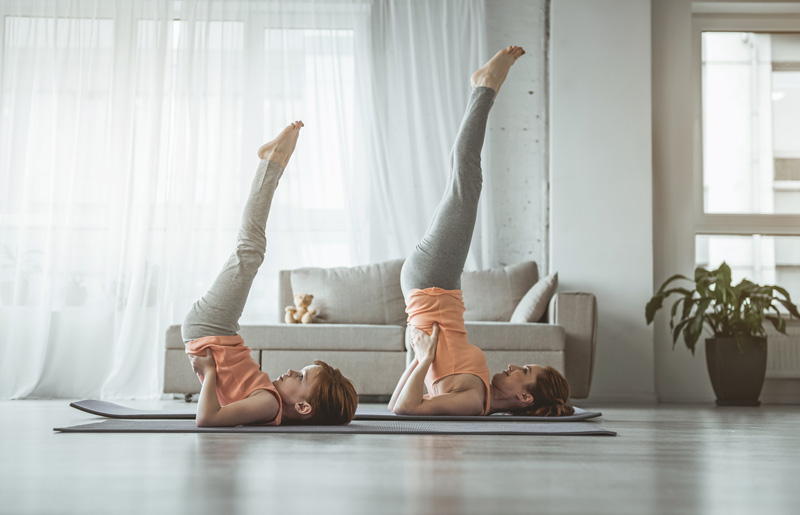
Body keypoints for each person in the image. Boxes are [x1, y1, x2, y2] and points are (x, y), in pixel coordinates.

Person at [388, 46, 574, 418]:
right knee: (462, 183)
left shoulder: (474, 401)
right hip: (436, 284)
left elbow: (401, 411)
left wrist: (422, 359)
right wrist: (419, 359)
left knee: (466, 181)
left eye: (523, 372)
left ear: (524, 397)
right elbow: (399, 404)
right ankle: (483, 87)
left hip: (432, 282)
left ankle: (484, 87)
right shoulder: (480, 392)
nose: (513, 367)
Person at [182, 121, 358, 427]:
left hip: (211, 328)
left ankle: (271, 163)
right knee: (250, 250)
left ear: (303, 407)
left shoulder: (267, 403)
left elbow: (207, 419)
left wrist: (210, 371)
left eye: (301, 377)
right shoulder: (268, 401)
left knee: (250, 250)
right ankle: (271, 163)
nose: (290, 372)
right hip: (214, 332)